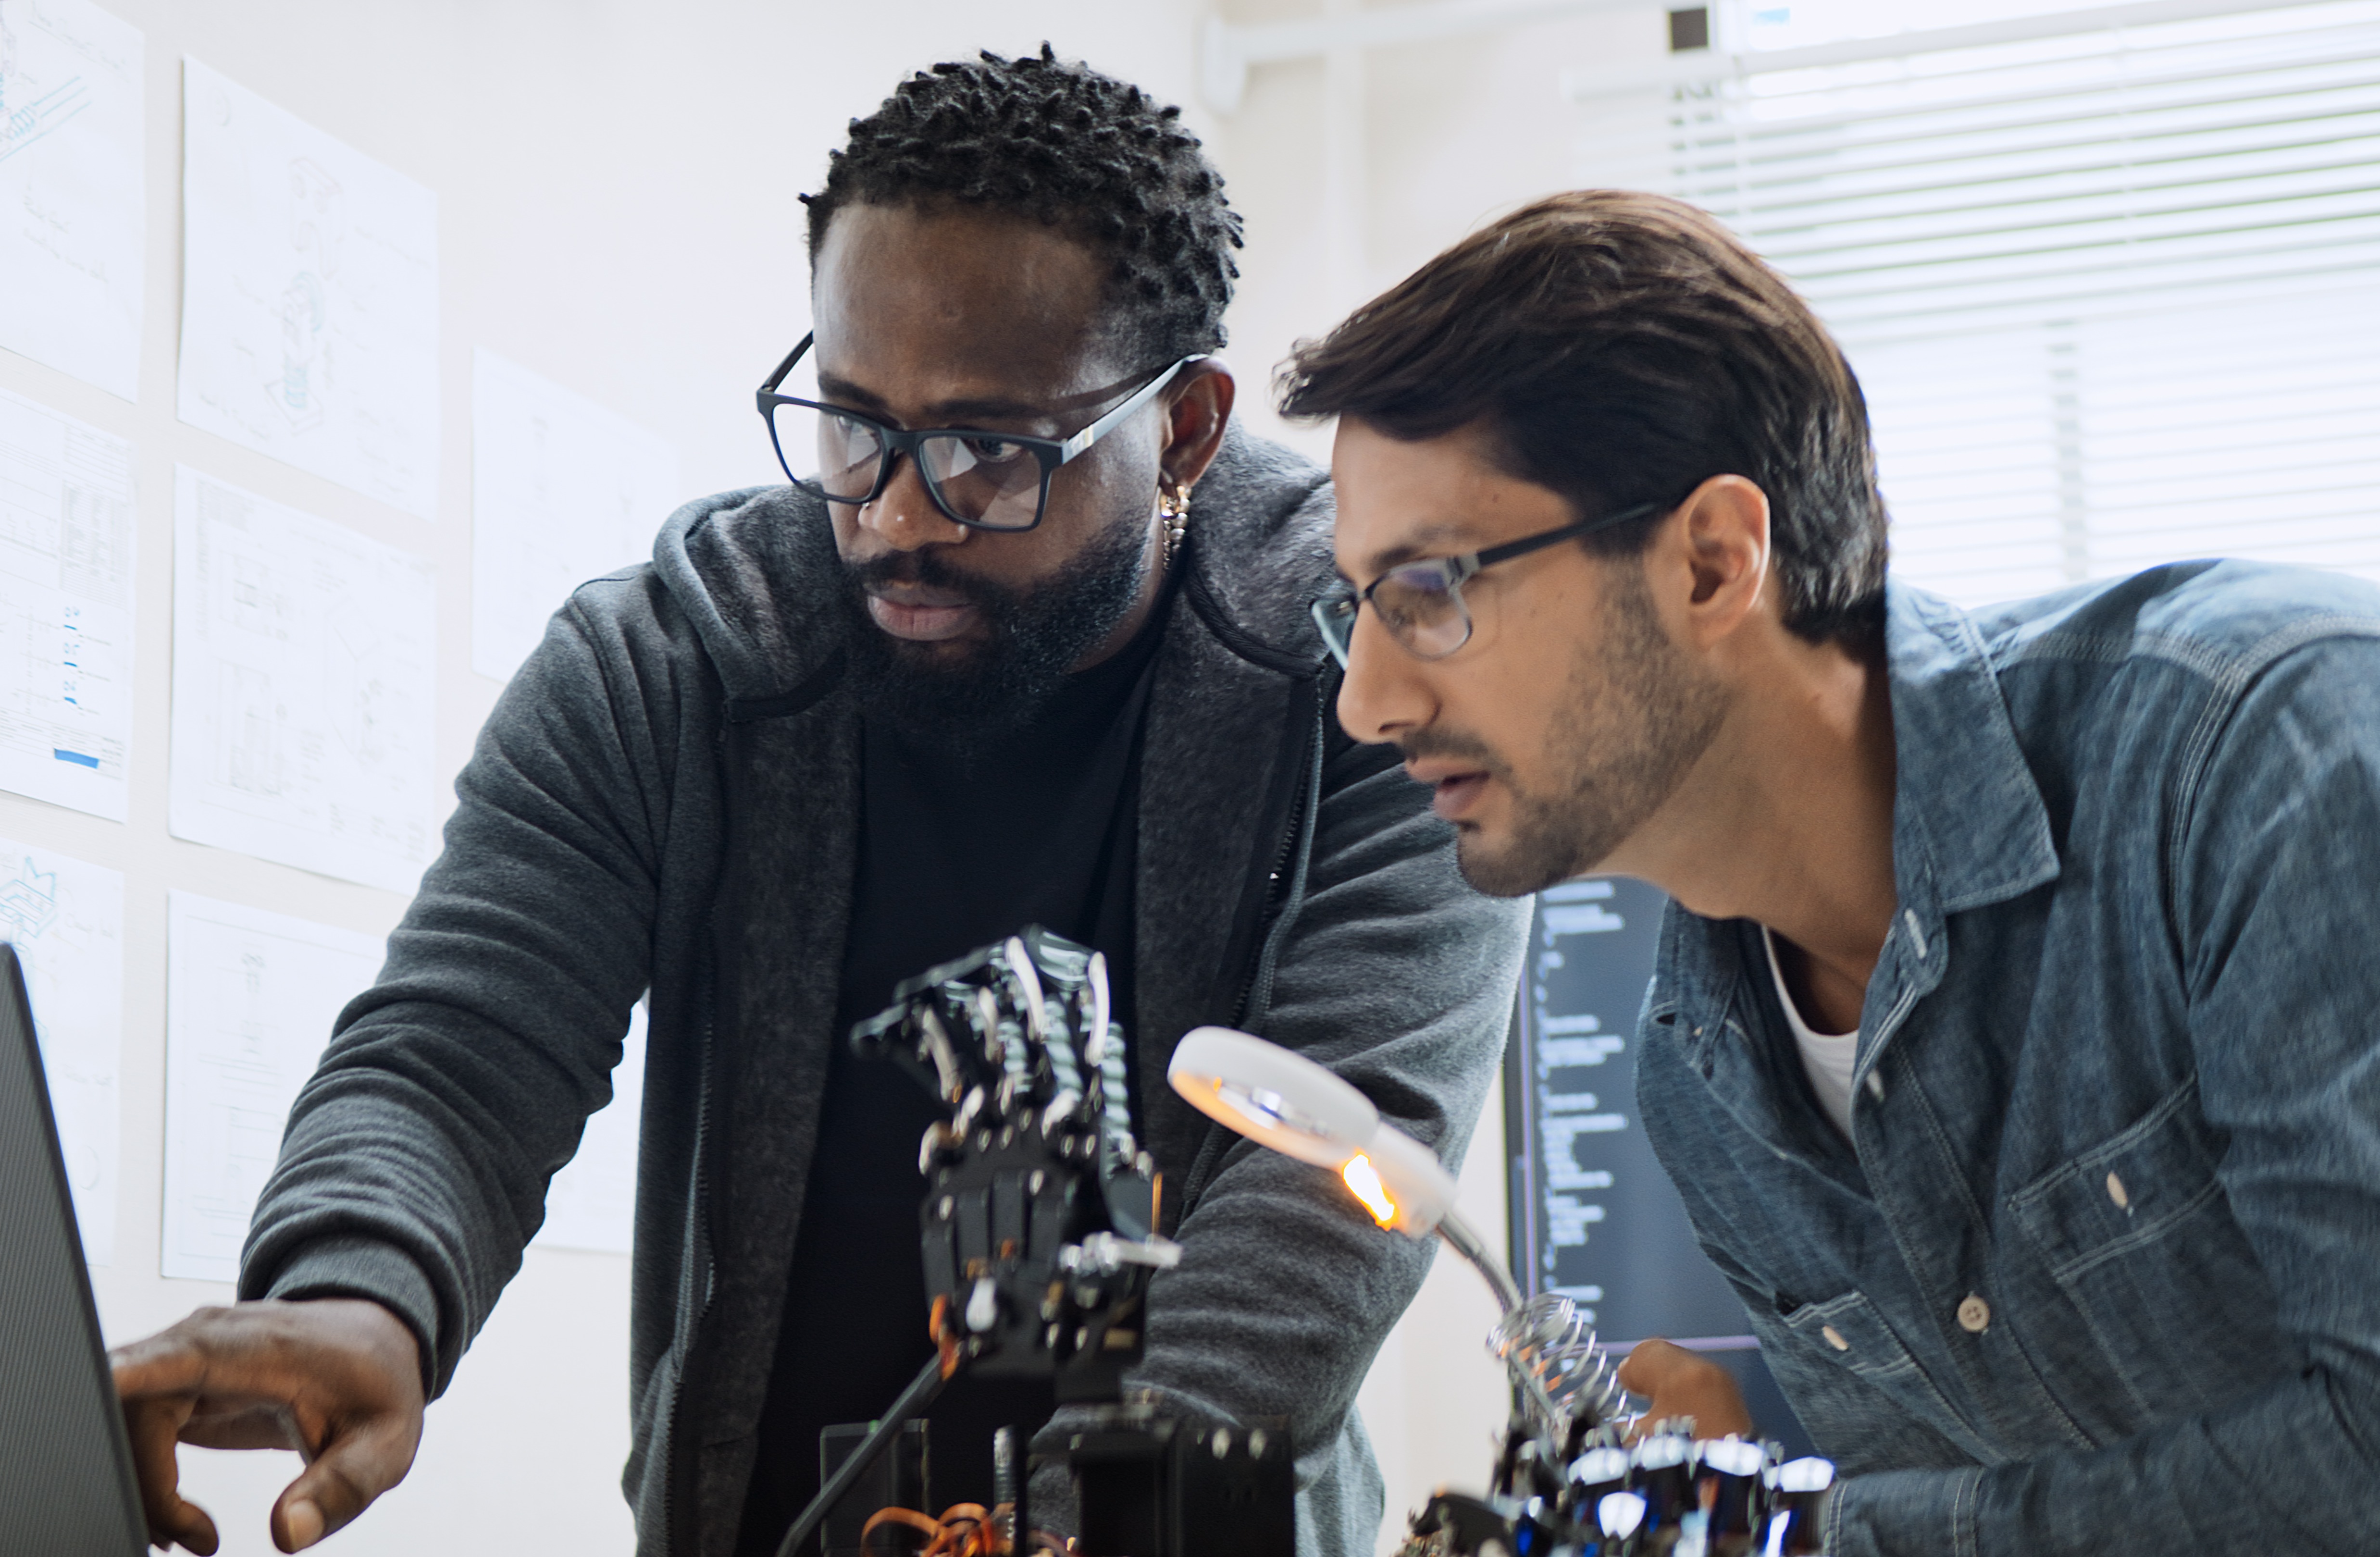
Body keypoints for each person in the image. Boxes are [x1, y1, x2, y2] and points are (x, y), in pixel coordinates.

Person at [106, 50, 1524, 1557]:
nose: (896, 518)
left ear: (1180, 429)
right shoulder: (669, 663)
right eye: (852, 425)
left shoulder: (1371, 670)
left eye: (988, 453)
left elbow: (1318, 1208)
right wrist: (363, 1290)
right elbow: (465, 1046)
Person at [1283, 188, 2380, 1554]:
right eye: (1354, 609)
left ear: (1709, 562)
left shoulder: (2273, 741)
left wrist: (1797, 1540)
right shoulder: (1707, 1088)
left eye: (1427, 591)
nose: (1365, 700)